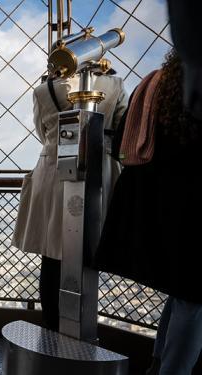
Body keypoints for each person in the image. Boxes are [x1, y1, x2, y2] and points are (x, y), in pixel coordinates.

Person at [95, 50, 202, 375]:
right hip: (192, 206)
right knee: (193, 297)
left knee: (183, 293)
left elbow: (123, 146)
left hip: (158, 206)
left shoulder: (156, 84)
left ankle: (159, 364)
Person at [12, 72, 127, 331]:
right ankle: (83, 329)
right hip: (100, 174)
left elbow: (44, 134)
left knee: (51, 259)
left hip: (53, 176)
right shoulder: (115, 85)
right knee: (90, 257)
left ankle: (51, 328)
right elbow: (122, 132)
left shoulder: (43, 91)